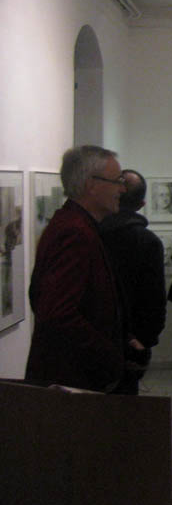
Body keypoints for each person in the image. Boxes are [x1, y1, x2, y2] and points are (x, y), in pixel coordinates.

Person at [25, 145, 126, 391]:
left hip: (71, 377)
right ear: (91, 185)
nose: (122, 189)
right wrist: (109, 355)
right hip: (71, 383)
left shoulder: (74, 224)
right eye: (117, 181)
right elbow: (57, 312)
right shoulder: (74, 232)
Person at [99, 169, 167, 395]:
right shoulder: (147, 241)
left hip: (96, 337)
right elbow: (154, 298)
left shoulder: (93, 234)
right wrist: (146, 340)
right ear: (142, 204)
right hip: (132, 342)